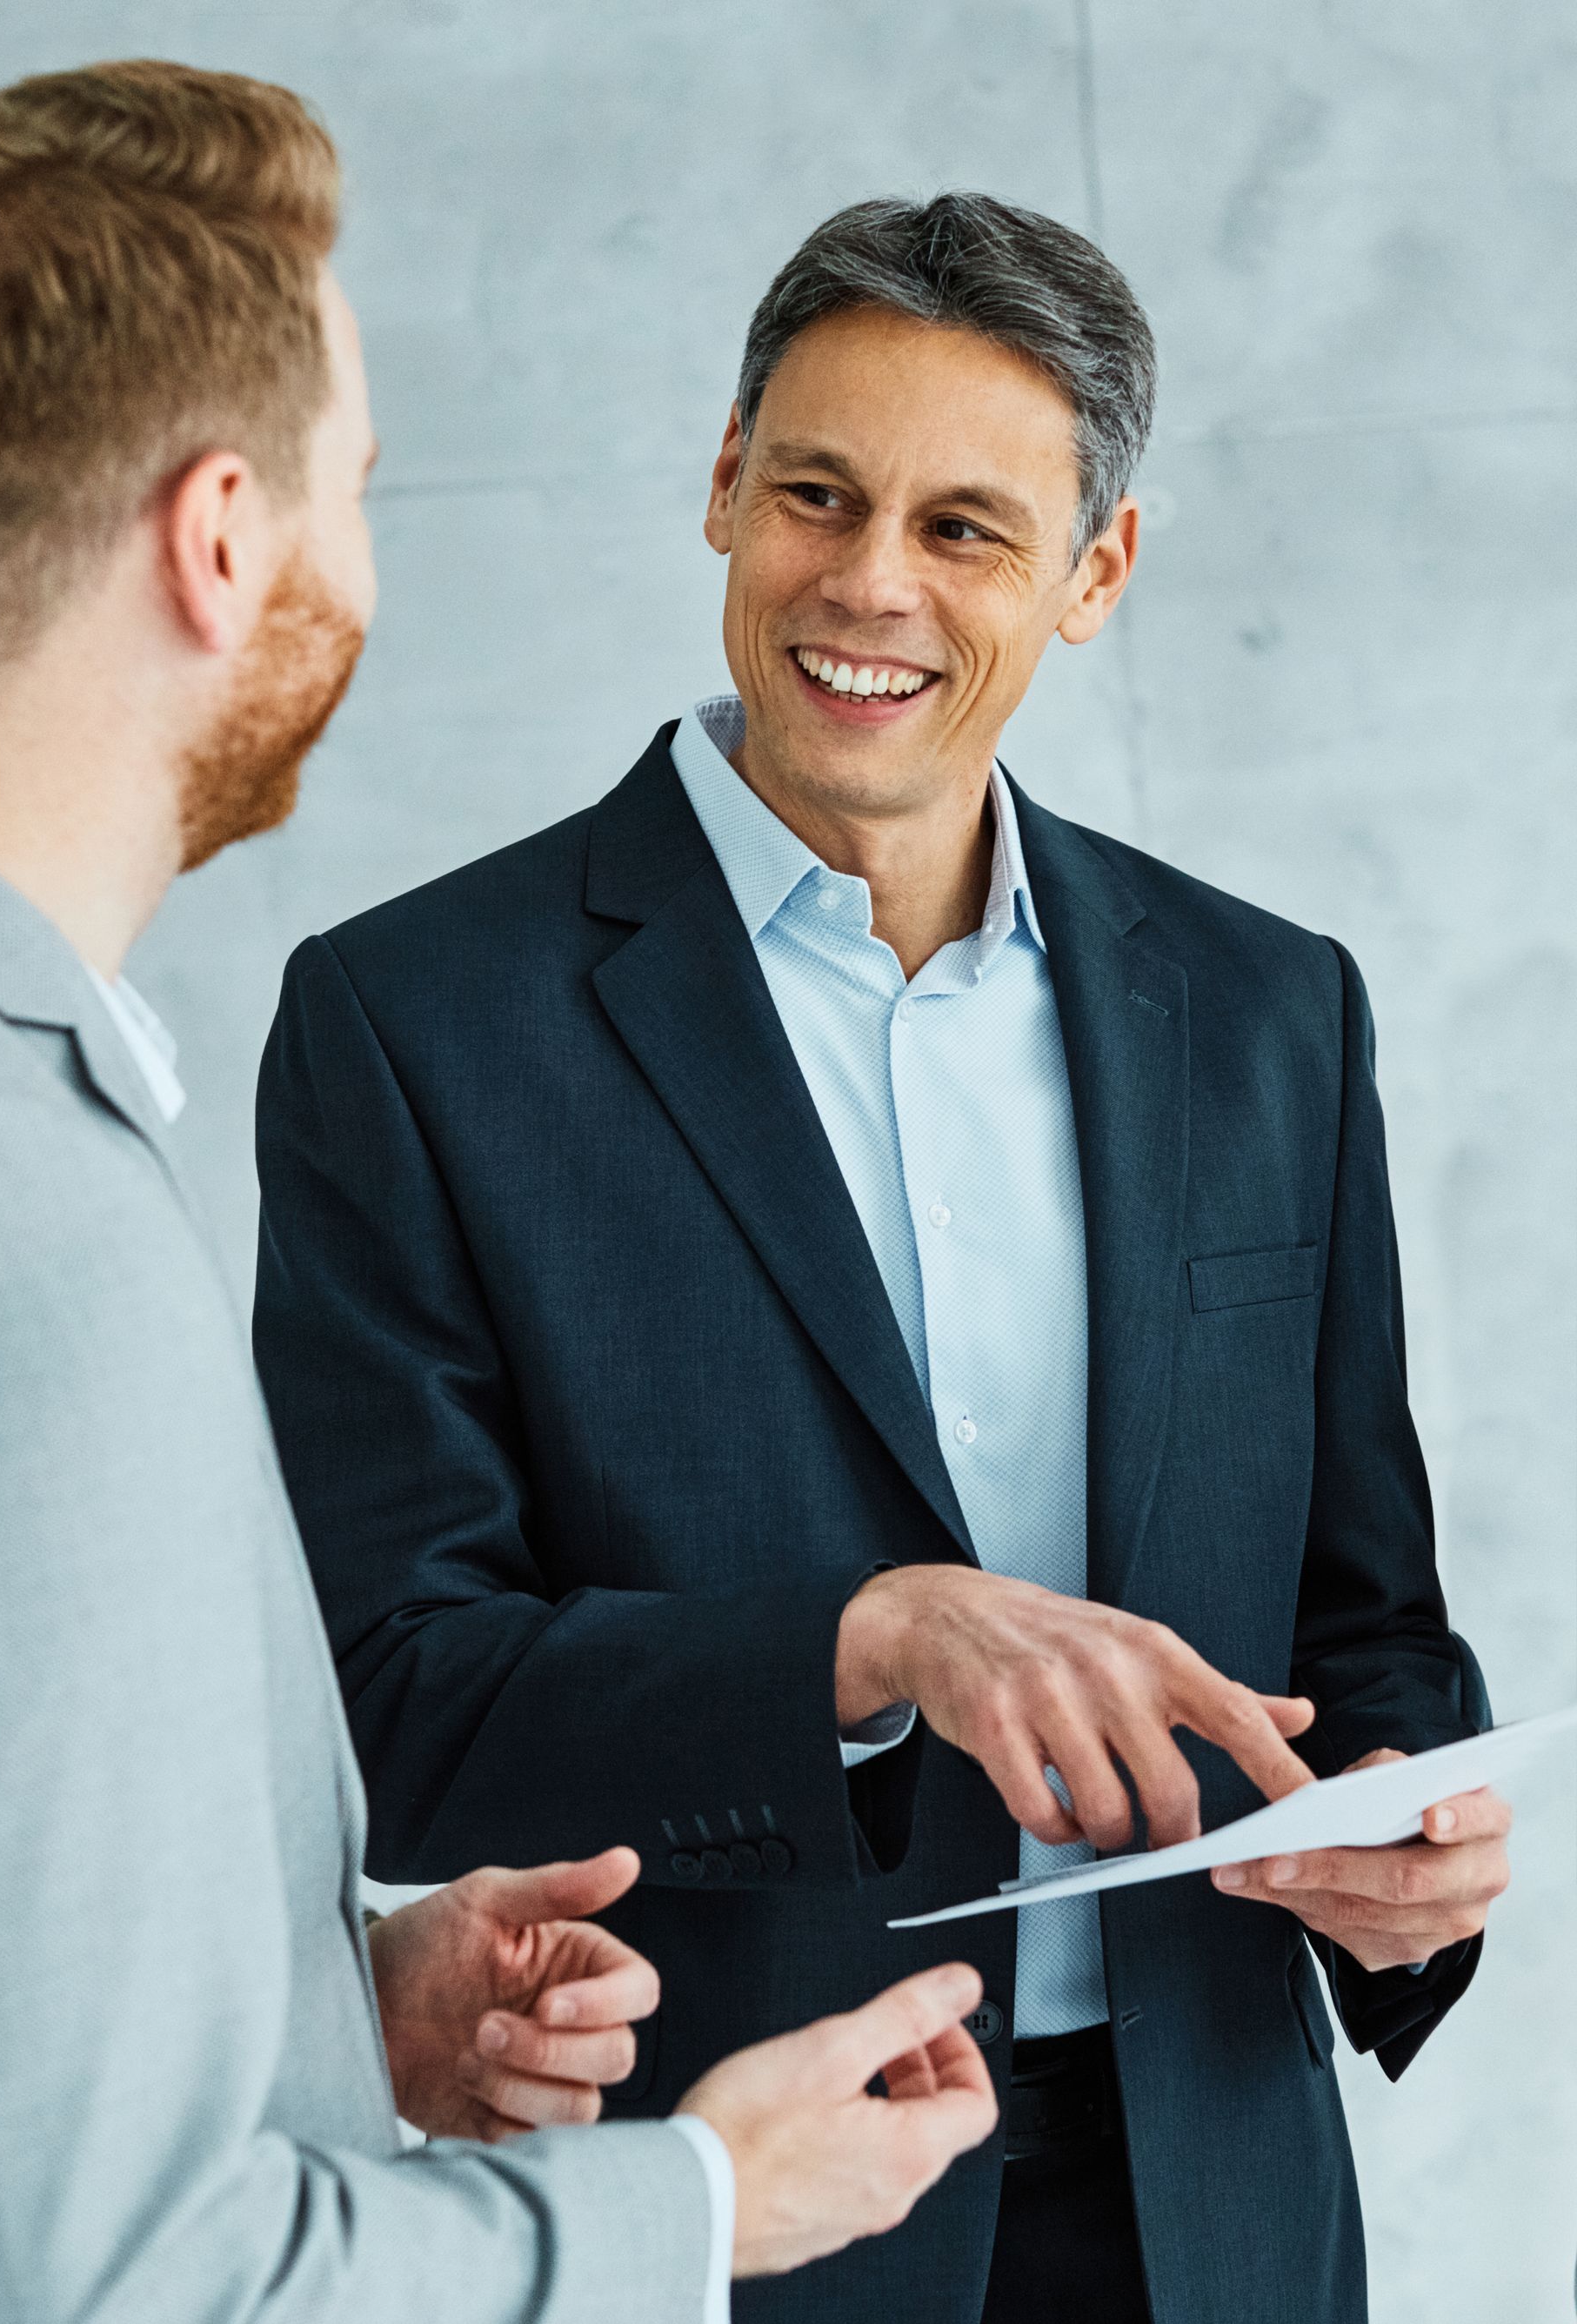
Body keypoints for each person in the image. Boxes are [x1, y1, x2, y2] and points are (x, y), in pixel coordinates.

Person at [252, 193, 1515, 2324]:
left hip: (1218, 2207)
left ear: (1095, 574)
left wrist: (1414, 1848)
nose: (869, 584)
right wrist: (863, 1640)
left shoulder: (1269, 1010)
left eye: (967, 527)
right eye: (820, 494)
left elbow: (1366, 1628)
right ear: (724, 482)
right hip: (730, 2205)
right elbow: (402, 1702)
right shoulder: (416, 1022)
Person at [0, 67, 1003, 2324]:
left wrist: (333, 2014)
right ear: (224, 542)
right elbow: (112, 2288)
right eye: (354, 489)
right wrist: (697, 2212)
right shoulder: (6, 1226)